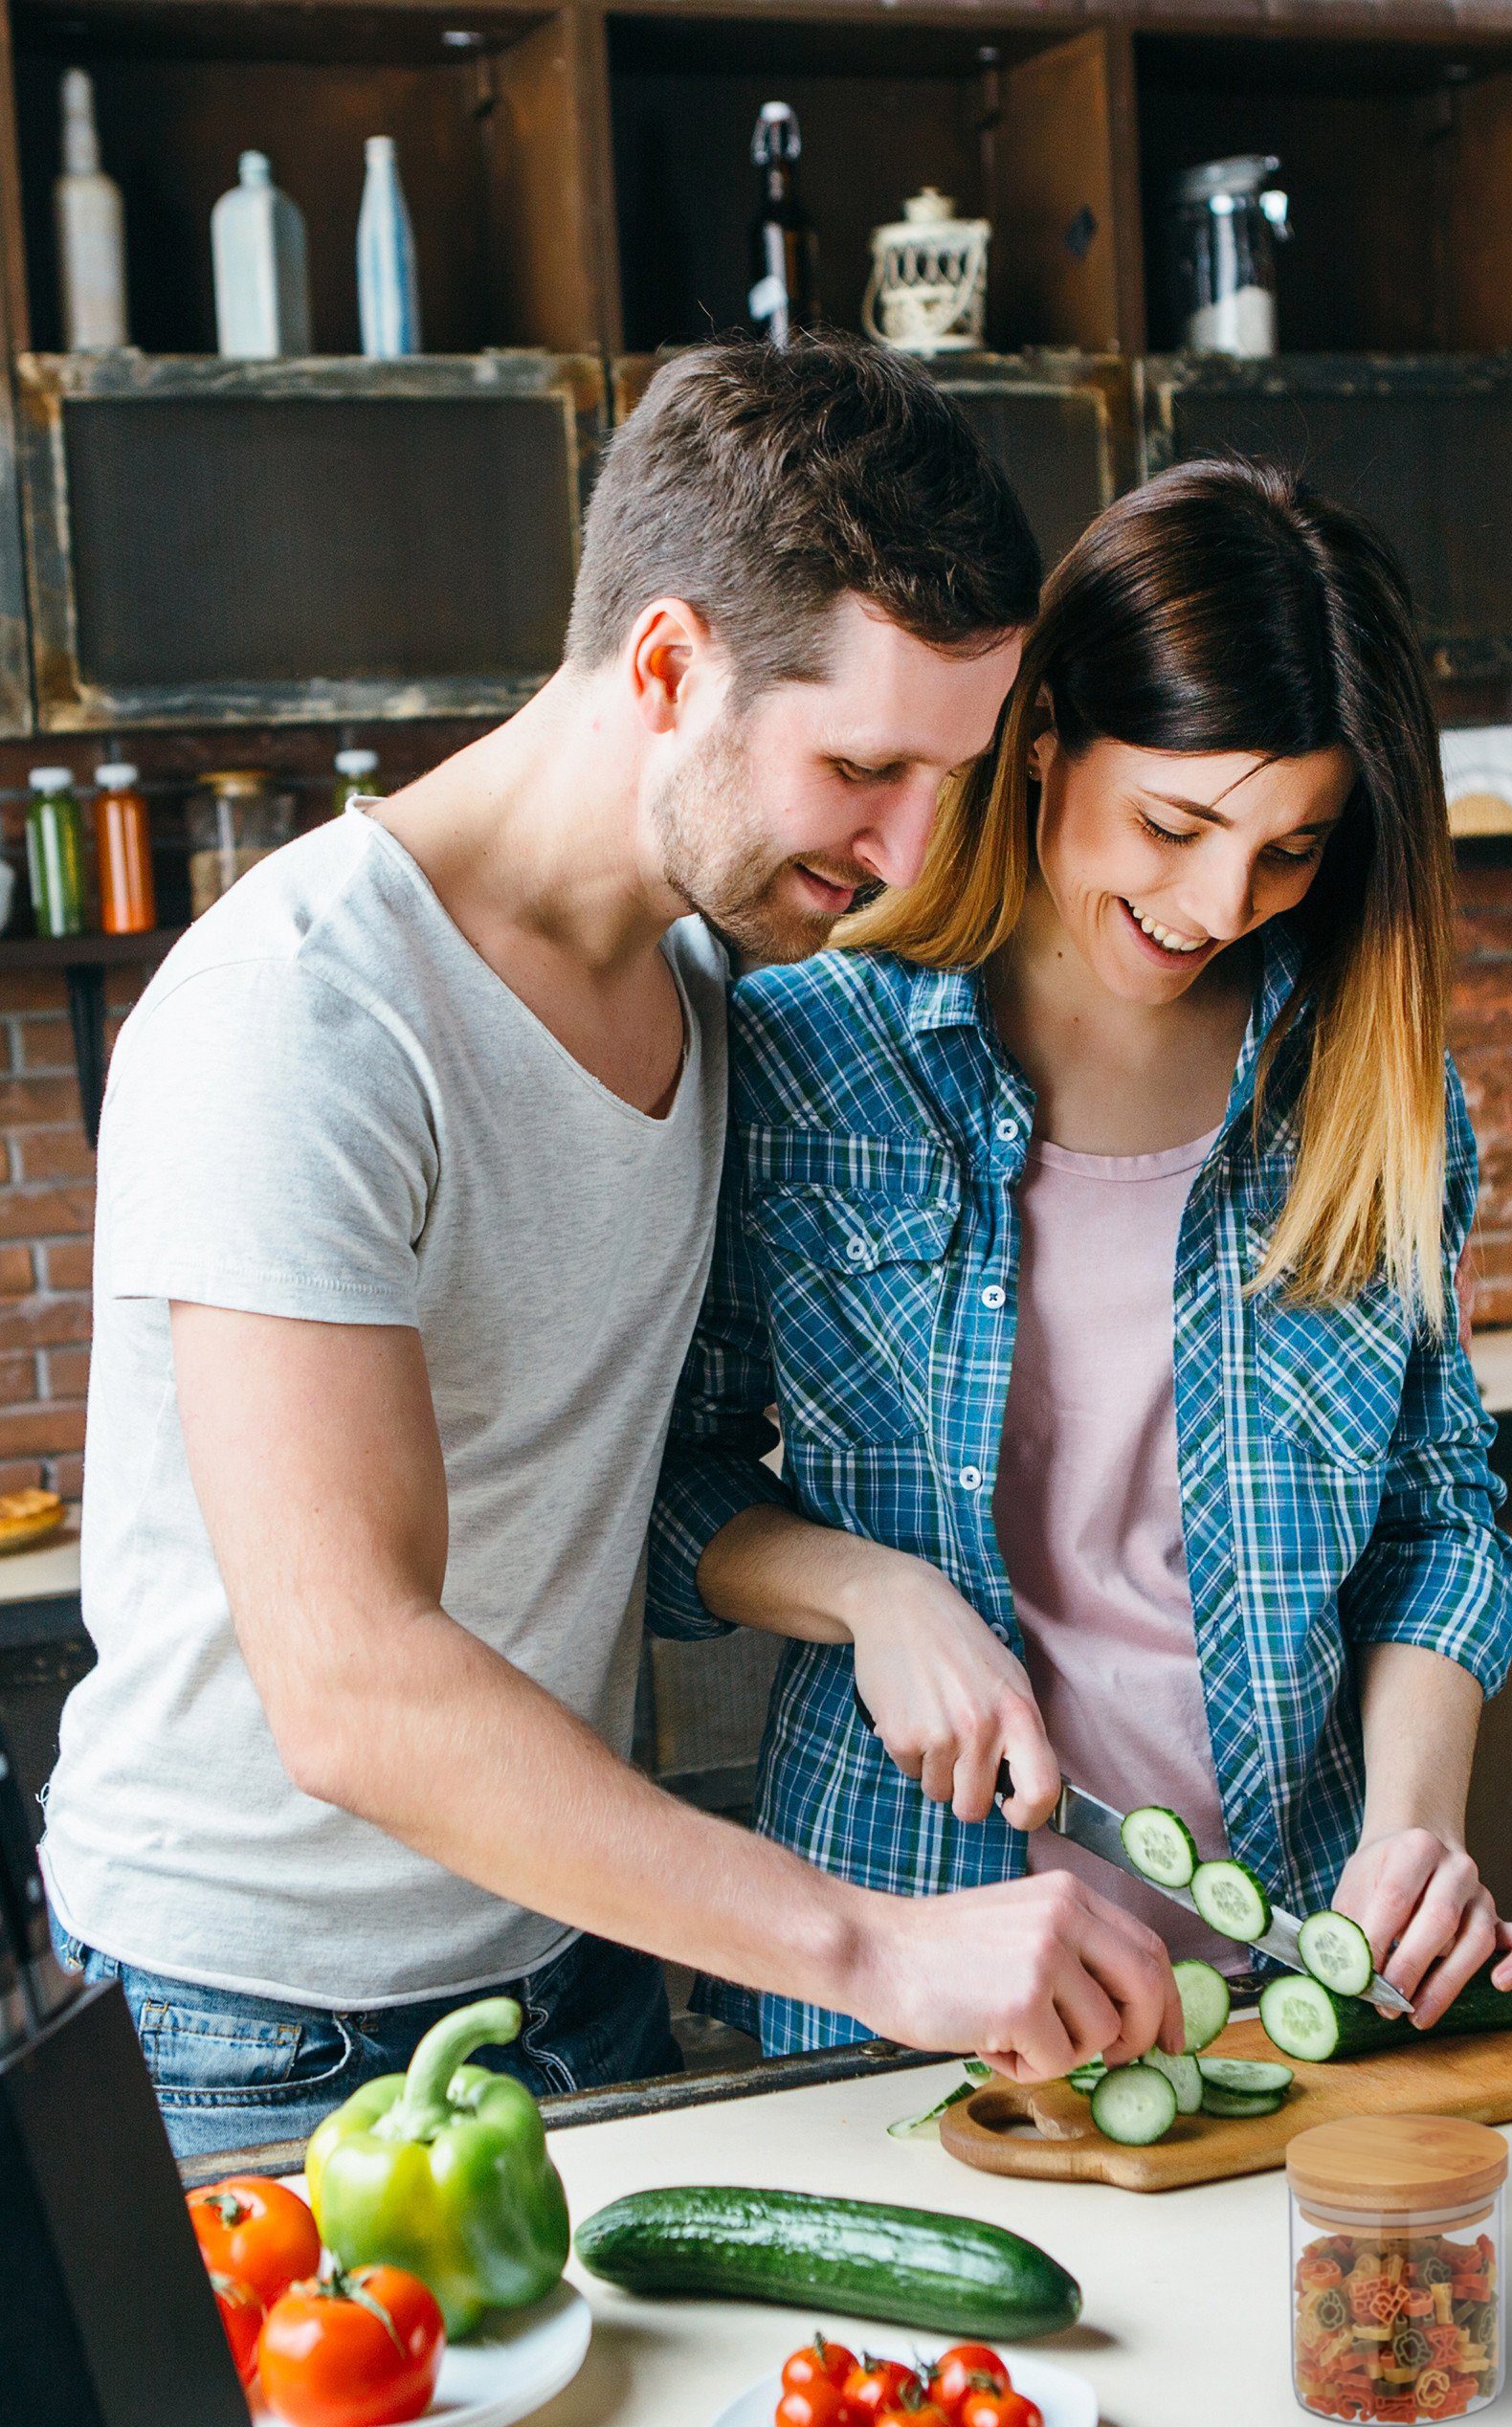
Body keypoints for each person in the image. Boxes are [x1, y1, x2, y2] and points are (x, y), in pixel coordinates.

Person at [39, 338, 1180, 2160]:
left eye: (946, 778)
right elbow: (350, 1686)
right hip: (250, 2031)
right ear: (667, 666)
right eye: (864, 767)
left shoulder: (715, 982)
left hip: (579, 1964)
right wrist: (872, 1948)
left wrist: (877, 1585)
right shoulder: (307, 1013)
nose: (908, 852)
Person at [652, 459, 1512, 2058]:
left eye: (1292, 850)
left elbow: (1441, 1512)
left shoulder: (1371, 1095)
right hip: (910, 1962)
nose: (1219, 904)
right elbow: (671, 1486)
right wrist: (869, 1591)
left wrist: (1417, 1832)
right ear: (1044, 735)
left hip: (1295, 1974)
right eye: (1177, 824)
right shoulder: (805, 1056)